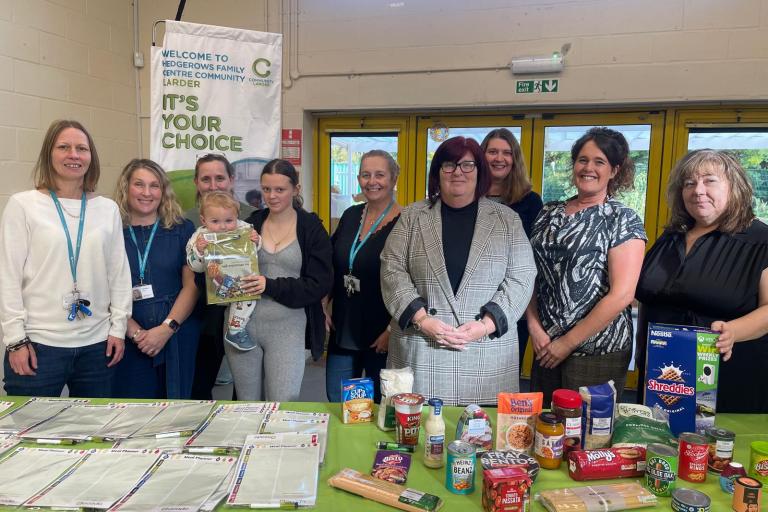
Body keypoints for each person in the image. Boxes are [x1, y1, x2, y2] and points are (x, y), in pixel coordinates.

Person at [380, 136, 536, 406]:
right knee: (414, 436)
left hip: (485, 353)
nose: (458, 173)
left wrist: (486, 325)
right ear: (438, 172)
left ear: (480, 171)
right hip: (422, 348)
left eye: (467, 165)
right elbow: (391, 268)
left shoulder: (507, 220)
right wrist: (423, 320)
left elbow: (522, 277)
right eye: (449, 165)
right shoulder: (413, 216)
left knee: (483, 441)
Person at [0, 119, 131, 397]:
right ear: (49, 154)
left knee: (93, 434)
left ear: (91, 157)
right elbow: (7, 277)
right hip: (37, 346)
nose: (74, 154)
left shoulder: (106, 209)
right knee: (31, 434)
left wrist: (118, 329)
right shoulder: (23, 205)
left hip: (98, 347)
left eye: (82, 148)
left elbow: (118, 275)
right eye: (64, 147)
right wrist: (15, 341)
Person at [636, 149, 768, 413]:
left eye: (709, 180)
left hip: (726, 375)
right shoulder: (671, 236)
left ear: (735, 187)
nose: (698, 190)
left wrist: (732, 332)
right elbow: (647, 294)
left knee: (715, 451)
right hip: (662, 372)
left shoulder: (760, 240)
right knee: (660, 445)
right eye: (689, 183)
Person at [526, 127, 647, 405]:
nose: (588, 167)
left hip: (598, 351)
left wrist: (566, 343)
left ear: (614, 171)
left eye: (599, 161)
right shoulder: (548, 212)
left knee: (589, 436)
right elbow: (529, 274)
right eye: (582, 159)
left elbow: (622, 295)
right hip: (545, 345)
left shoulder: (622, 219)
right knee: (545, 429)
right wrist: (534, 326)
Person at [229, 159, 333, 401]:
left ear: (295, 190)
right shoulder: (250, 224)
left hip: (288, 327)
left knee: (283, 404)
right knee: (245, 405)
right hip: (241, 325)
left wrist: (270, 285)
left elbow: (319, 284)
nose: (272, 196)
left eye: (280, 190)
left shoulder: (311, 229)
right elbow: (226, 267)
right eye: (266, 189)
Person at [112, 159, 200, 399]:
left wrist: (166, 329)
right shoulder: (110, 230)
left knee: (176, 412)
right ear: (126, 187)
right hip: (127, 336)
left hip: (176, 333)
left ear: (163, 191)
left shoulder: (181, 228)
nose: (147, 193)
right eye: (139, 184)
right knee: (130, 413)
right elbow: (103, 288)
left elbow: (191, 285)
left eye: (154, 186)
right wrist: (136, 333)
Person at [324, 150, 402, 403]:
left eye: (380, 175)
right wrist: (323, 304)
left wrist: (393, 330)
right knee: (340, 404)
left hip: (382, 335)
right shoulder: (349, 216)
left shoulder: (407, 222)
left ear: (393, 178)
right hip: (343, 329)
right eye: (365, 175)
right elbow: (332, 265)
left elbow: (415, 281)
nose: (372, 181)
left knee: (380, 409)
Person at [185, 153, 255, 400]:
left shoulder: (251, 218)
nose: (213, 185)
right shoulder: (188, 222)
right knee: (200, 382)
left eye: (220, 178)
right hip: (204, 313)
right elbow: (189, 267)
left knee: (246, 385)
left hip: (243, 309)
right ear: (196, 182)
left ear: (232, 180)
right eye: (206, 179)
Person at [481, 128, 543, 368]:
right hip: (470, 299)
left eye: (507, 153)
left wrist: (532, 317)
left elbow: (531, 261)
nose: (499, 158)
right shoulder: (466, 197)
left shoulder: (530, 201)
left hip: (512, 300)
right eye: (492, 151)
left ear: (514, 159)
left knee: (502, 376)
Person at [186, 191, 261, 351]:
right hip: (215, 285)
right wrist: (199, 251)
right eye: (215, 221)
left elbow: (254, 253)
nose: (223, 226)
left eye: (229, 220)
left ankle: (235, 329)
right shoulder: (200, 236)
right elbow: (194, 267)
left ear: (237, 217)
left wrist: (257, 240)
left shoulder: (244, 228)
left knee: (249, 296)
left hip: (239, 280)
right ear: (203, 220)